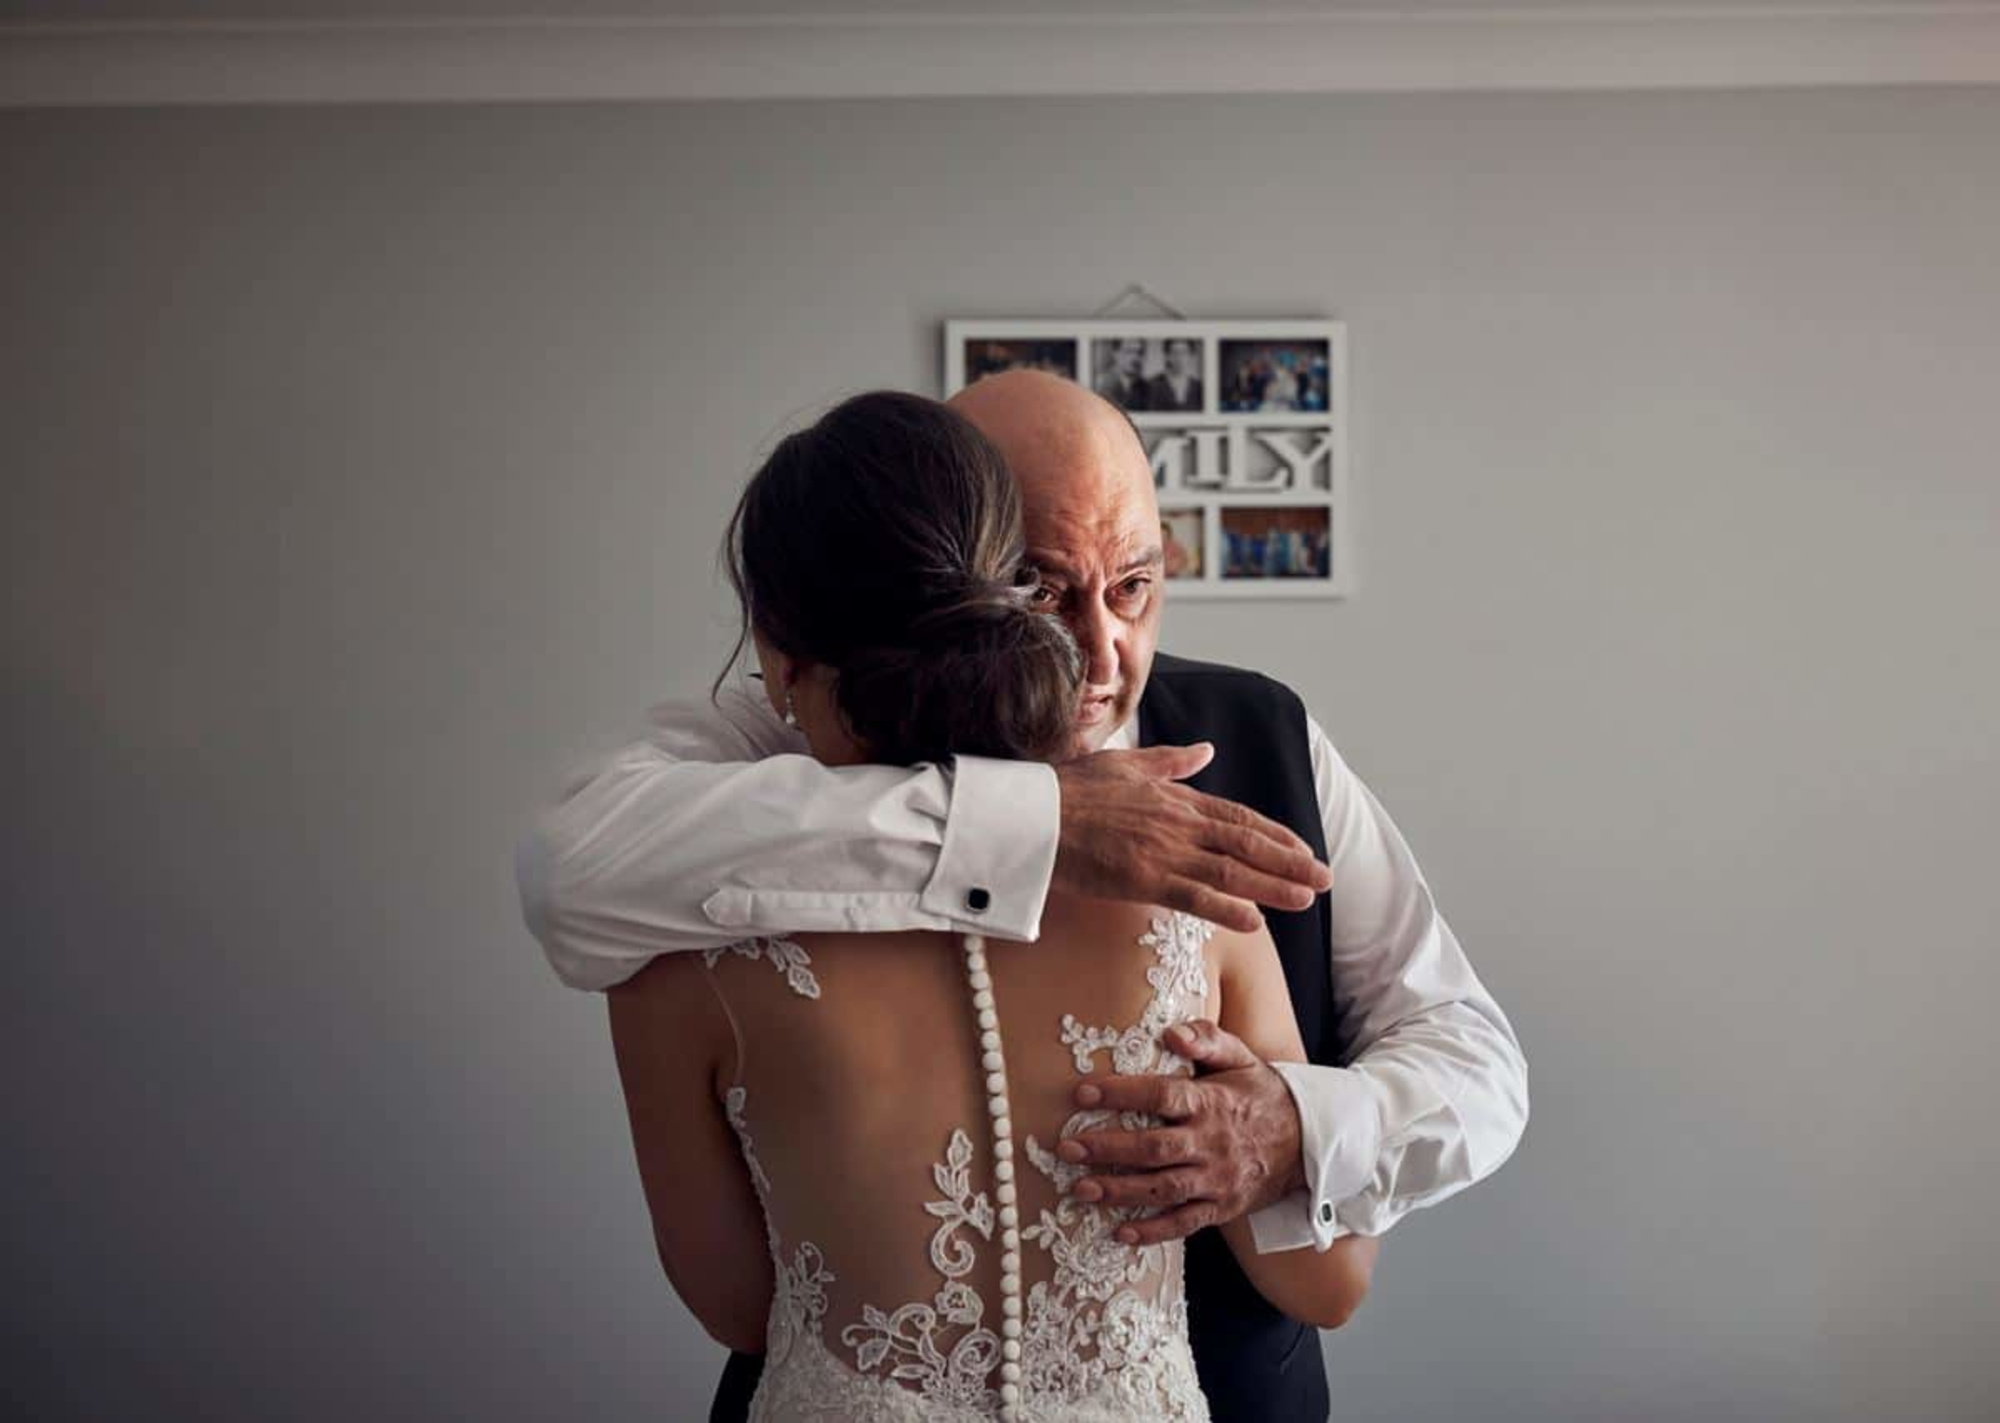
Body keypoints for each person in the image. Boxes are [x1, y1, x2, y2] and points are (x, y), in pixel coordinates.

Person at [515, 370, 1530, 1422]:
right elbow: (569, 867)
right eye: (1041, 589)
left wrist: (1298, 1125)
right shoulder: (748, 756)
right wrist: (1034, 824)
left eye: (1133, 584)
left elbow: (1471, 1053)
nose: (1101, 654)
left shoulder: (1260, 735)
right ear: (942, 567)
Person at [1146, 337, 1204, 412]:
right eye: (1174, 352)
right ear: (1167, 356)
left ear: (1191, 356)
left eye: (1184, 352)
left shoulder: (1198, 386)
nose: (1179, 358)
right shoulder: (1153, 385)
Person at [1094, 336, 1152, 411]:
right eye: (1129, 351)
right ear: (1115, 354)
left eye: (1139, 352)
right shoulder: (1100, 383)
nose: (1135, 358)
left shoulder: (1146, 387)